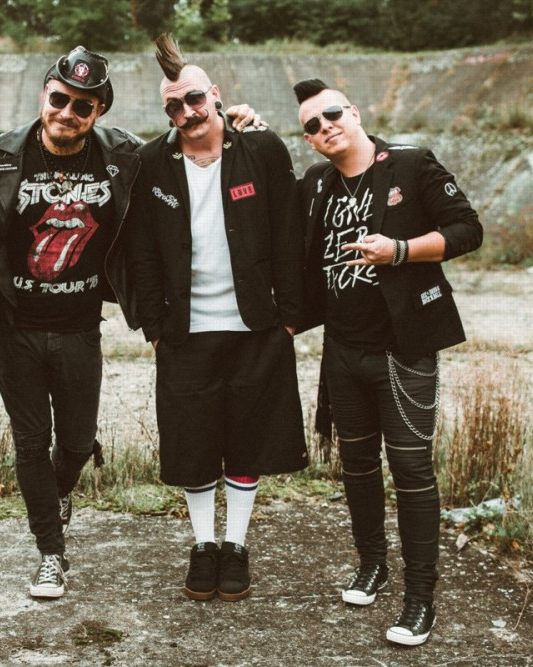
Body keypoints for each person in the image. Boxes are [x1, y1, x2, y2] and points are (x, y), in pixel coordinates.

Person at [0, 46, 262, 601]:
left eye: (83, 106)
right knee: (31, 443)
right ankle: (51, 553)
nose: (67, 112)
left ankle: (59, 490)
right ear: (44, 95)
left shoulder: (124, 155)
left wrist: (238, 123)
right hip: (14, 328)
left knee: (74, 443)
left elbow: (193, 139)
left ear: (99, 112)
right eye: (59, 99)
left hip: (79, 326)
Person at [293, 78, 483, 645]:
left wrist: (400, 251)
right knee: (356, 465)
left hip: (404, 350)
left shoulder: (410, 163)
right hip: (342, 351)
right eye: (312, 125)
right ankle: (372, 565)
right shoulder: (316, 183)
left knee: (412, 471)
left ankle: (419, 598)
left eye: (332, 114)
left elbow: (468, 230)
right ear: (309, 140)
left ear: (353, 112)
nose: (325, 127)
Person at [128, 35, 308, 602]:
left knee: (247, 441)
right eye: (174, 107)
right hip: (184, 332)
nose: (187, 112)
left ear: (216, 95)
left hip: (256, 327)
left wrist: (290, 320)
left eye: (195, 99)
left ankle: (236, 544)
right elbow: (141, 252)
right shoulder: (149, 163)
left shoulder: (263, 149)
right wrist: (154, 329)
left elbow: (290, 234)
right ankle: (204, 544)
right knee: (193, 443)